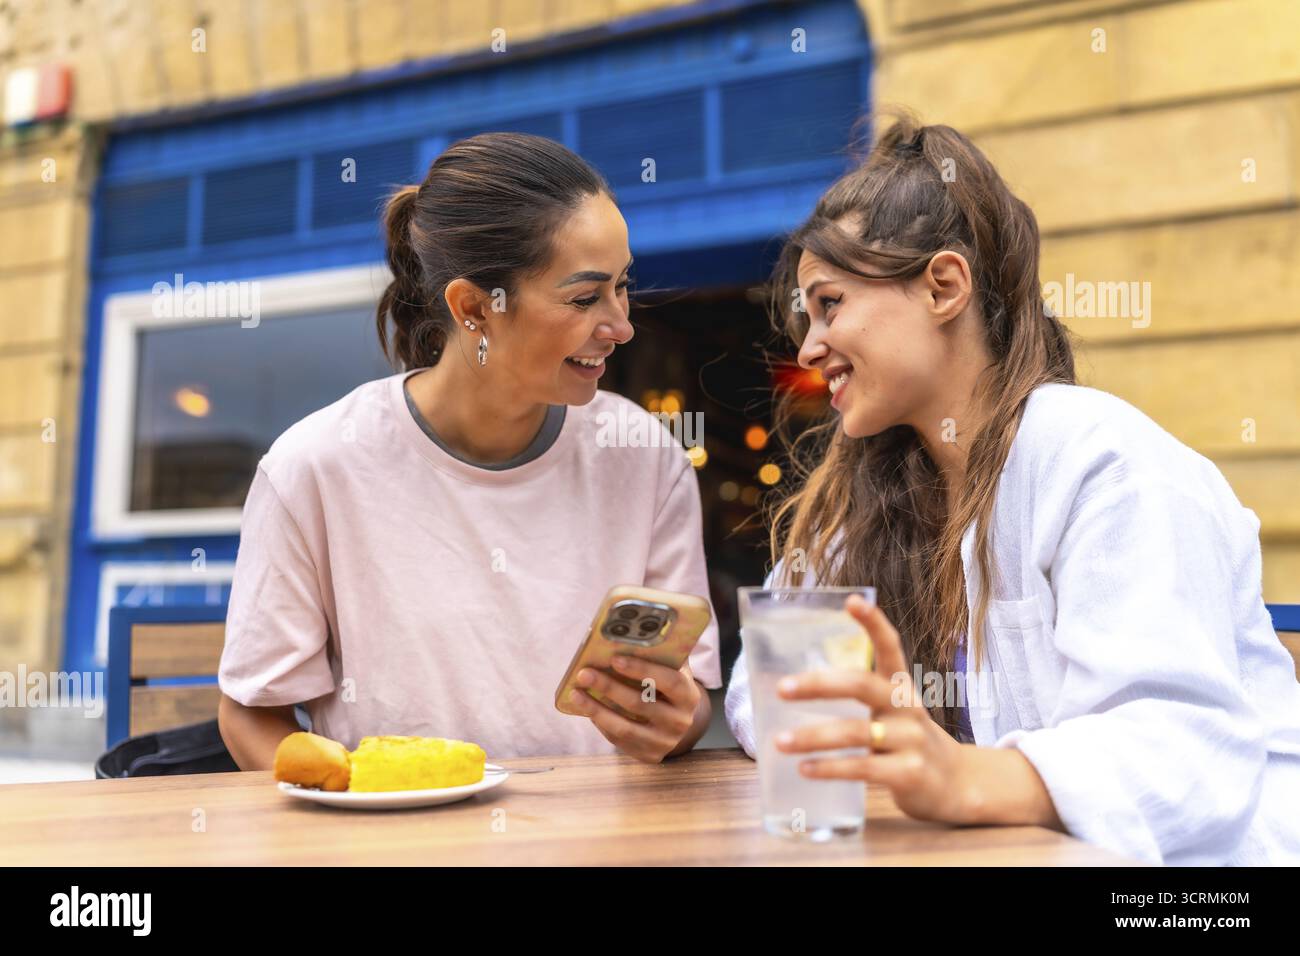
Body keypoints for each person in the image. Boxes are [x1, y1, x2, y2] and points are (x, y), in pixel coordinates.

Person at [725, 112, 1300, 866]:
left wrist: (960, 774)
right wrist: (865, 730)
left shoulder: (1106, 464)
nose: (808, 347)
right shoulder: (875, 495)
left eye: (830, 304)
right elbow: (758, 690)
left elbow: (1176, 747)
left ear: (943, 287)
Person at [218, 133, 721, 767]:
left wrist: (677, 720)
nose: (621, 325)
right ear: (475, 308)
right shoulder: (316, 466)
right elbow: (252, 711)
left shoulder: (646, 456)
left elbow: (691, 696)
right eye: (584, 297)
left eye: (623, 286)